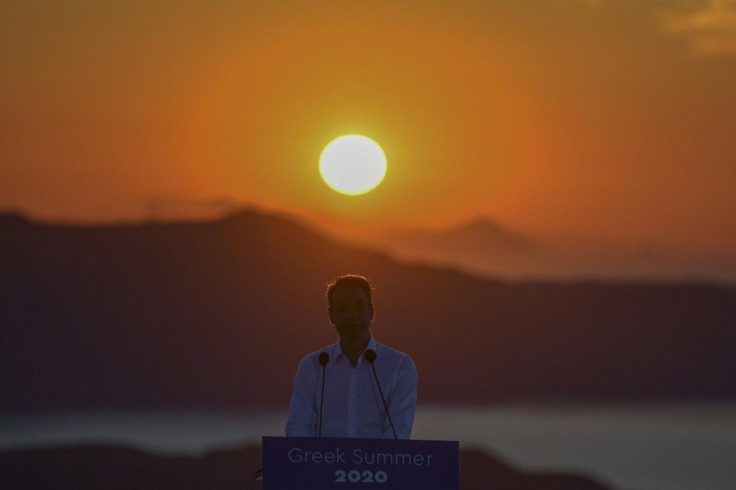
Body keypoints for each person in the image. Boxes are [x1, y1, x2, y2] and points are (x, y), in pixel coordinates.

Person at [285, 274, 417, 439]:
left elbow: (398, 432)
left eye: (359, 307)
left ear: (371, 311)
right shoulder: (313, 366)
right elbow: (298, 426)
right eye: (342, 309)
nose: (352, 316)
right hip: (321, 463)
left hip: (379, 464)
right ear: (331, 316)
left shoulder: (399, 366)